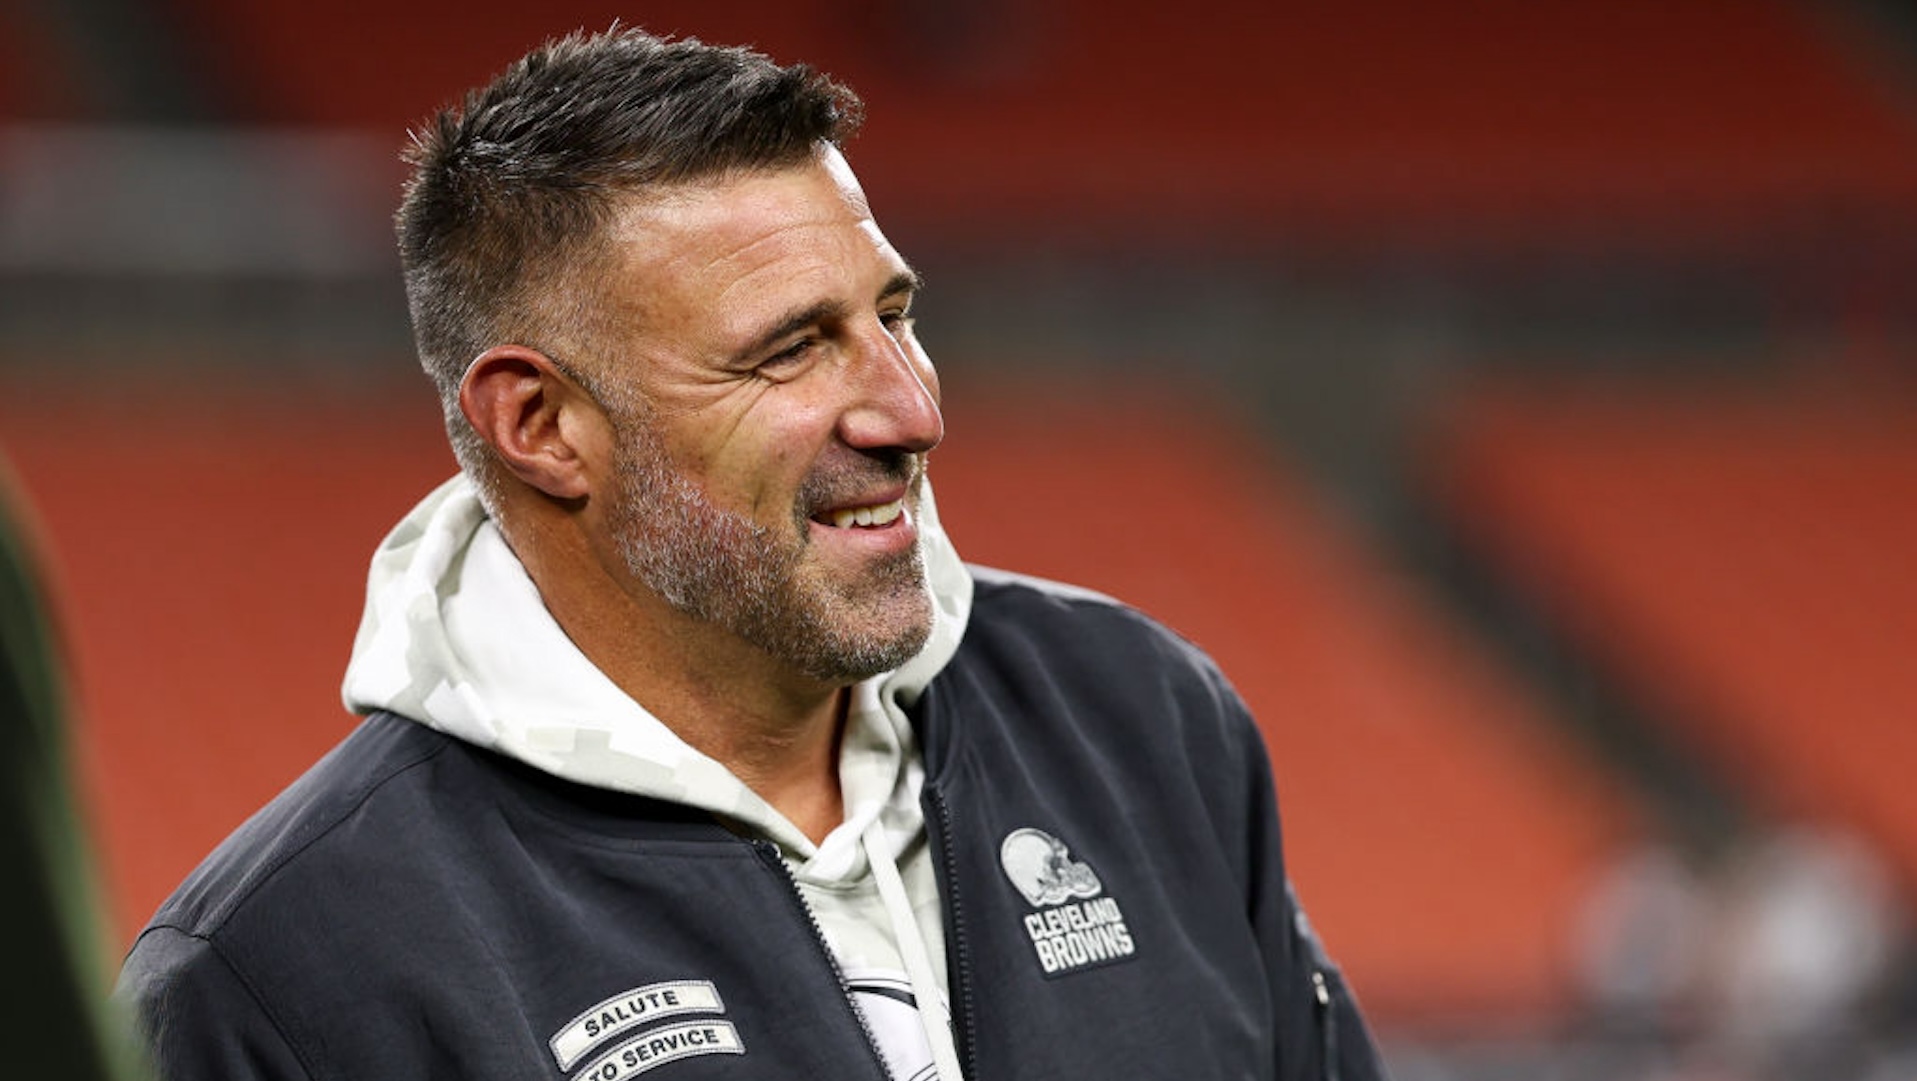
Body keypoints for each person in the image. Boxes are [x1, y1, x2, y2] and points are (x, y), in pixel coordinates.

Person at [115, 26, 1387, 1081]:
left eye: (895, 315)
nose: (911, 412)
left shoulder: (1141, 718)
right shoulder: (282, 972)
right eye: (790, 348)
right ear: (542, 425)